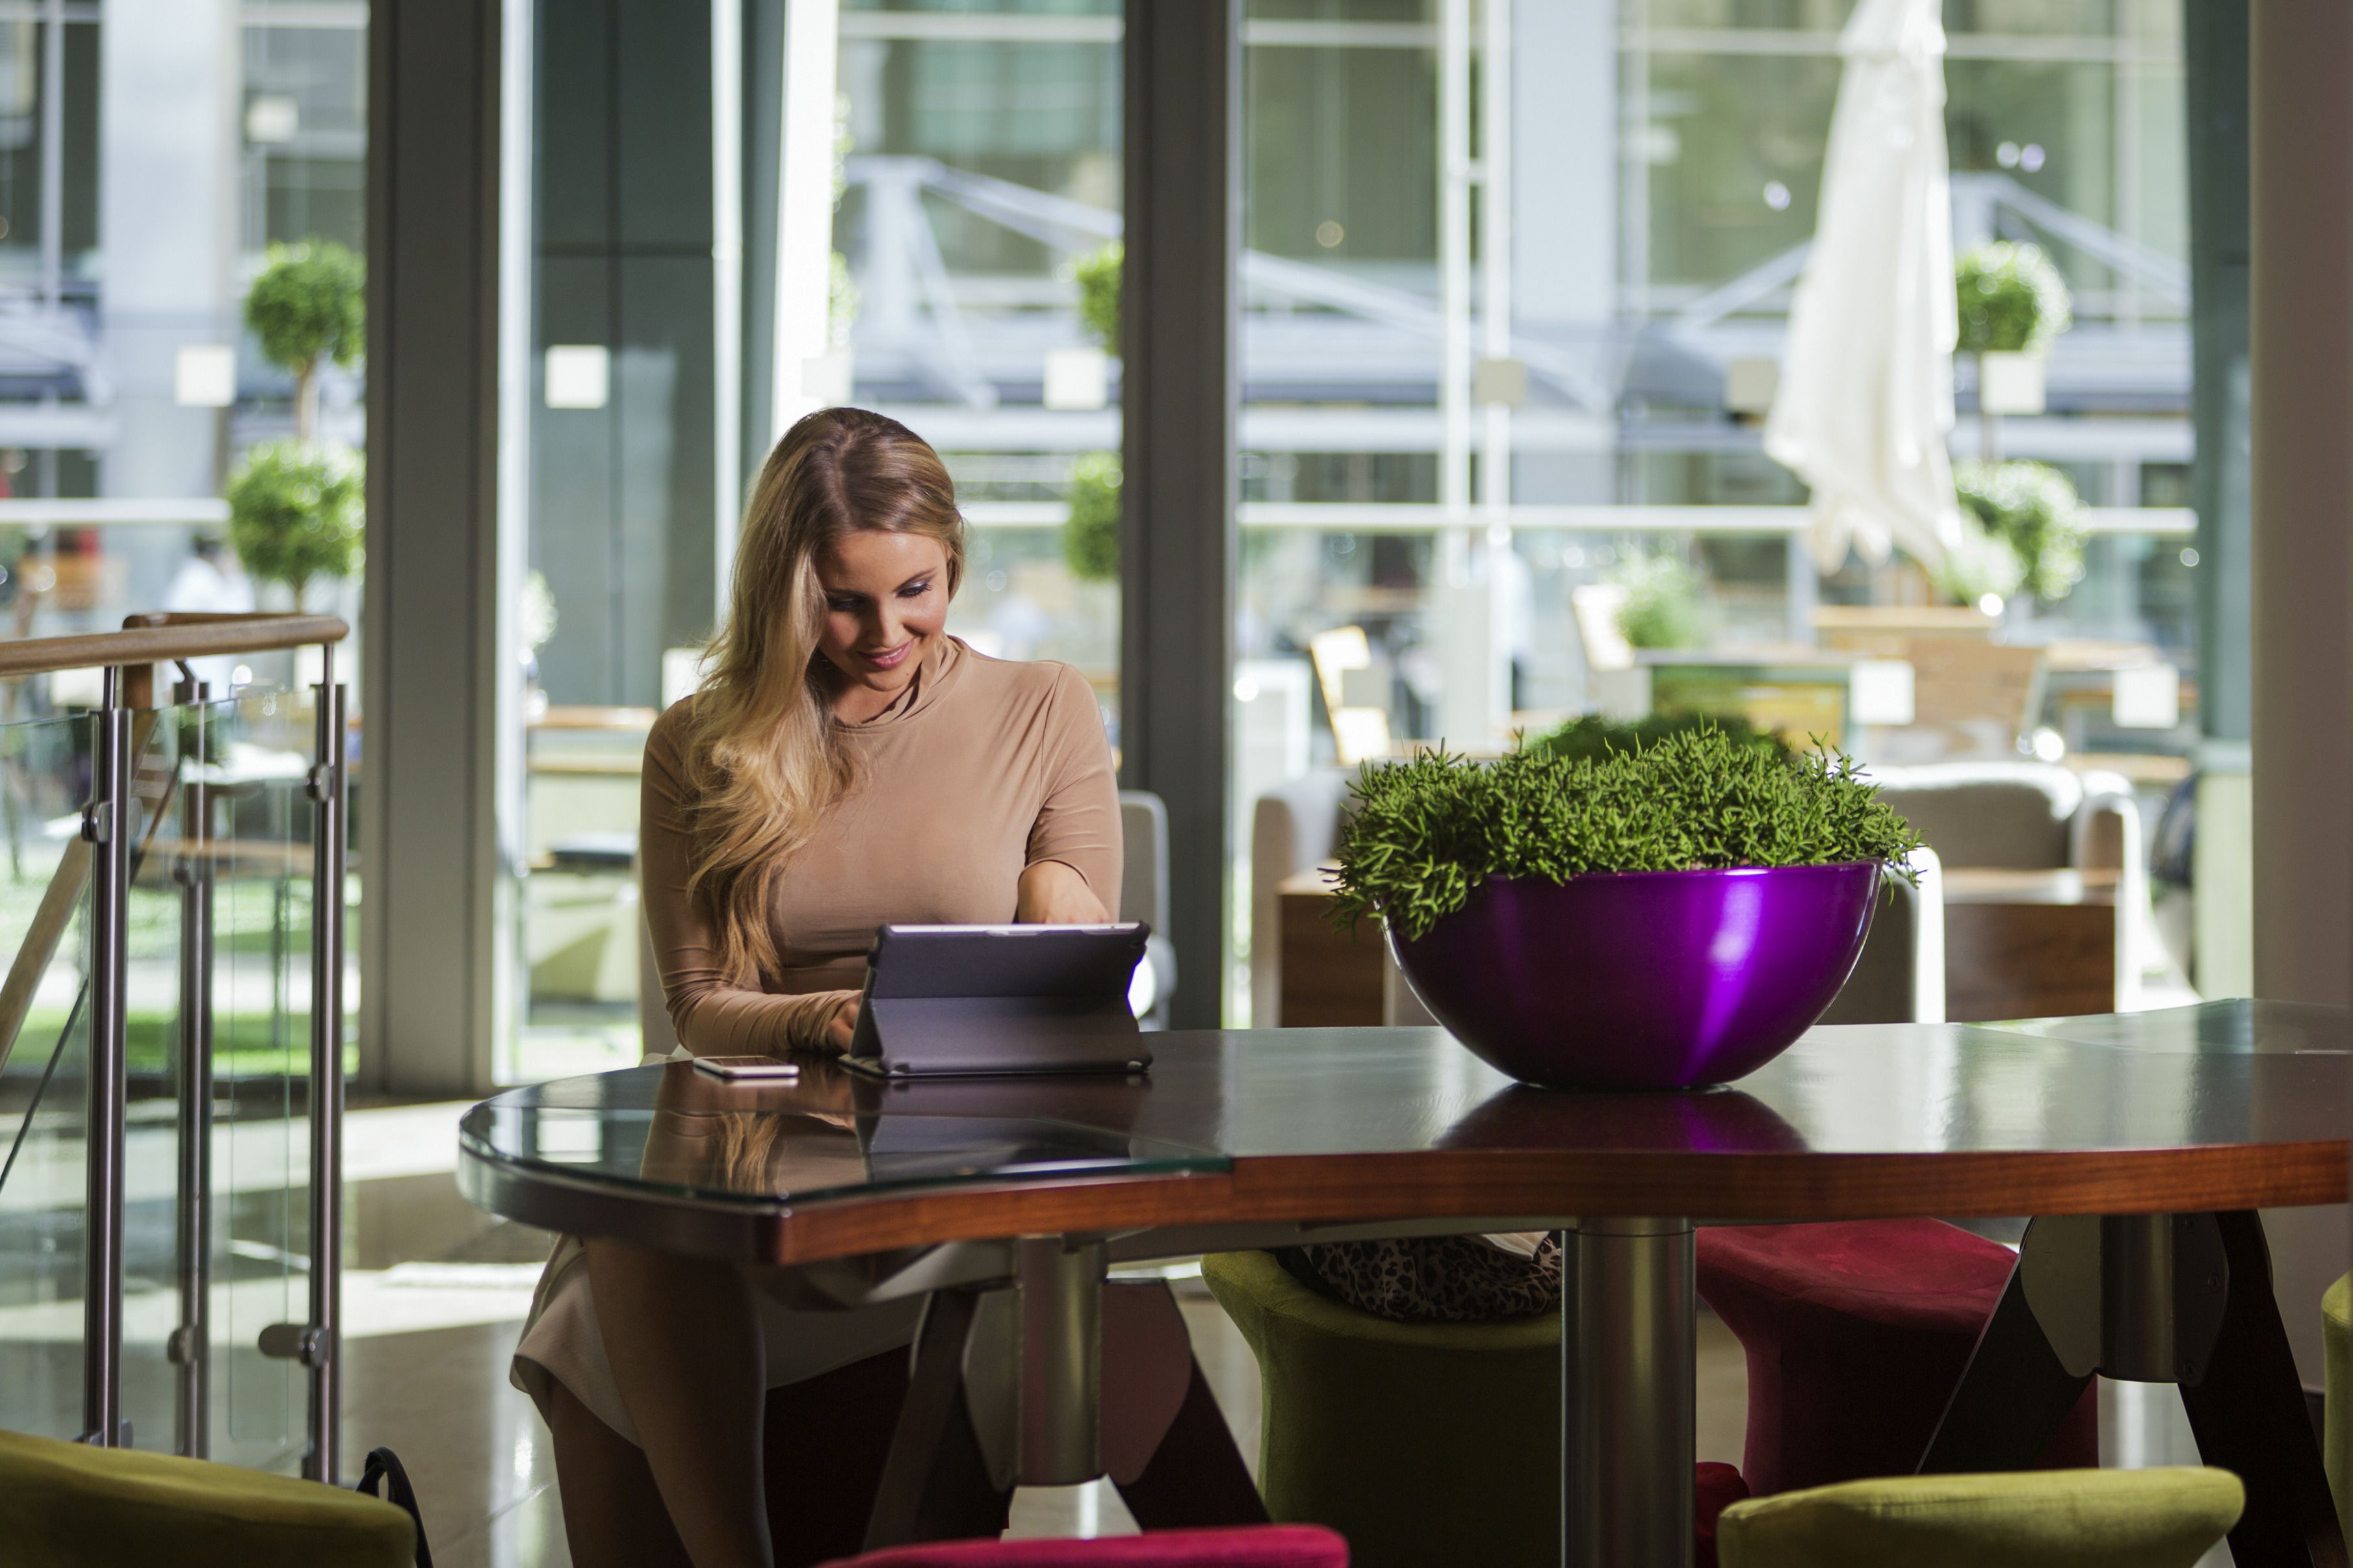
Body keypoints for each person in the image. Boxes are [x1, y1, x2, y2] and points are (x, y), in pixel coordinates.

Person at [510, 407, 1122, 1568]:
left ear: (955, 561)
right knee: (622, 1246)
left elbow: (1078, 976)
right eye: (844, 600)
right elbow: (698, 1002)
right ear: (787, 590)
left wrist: (1056, 902)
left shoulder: (1043, 707)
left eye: (918, 589)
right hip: (769, 1152)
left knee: (607, 1292)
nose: (885, 632)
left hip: (956, 1153)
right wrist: (836, 1017)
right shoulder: (700, 742)